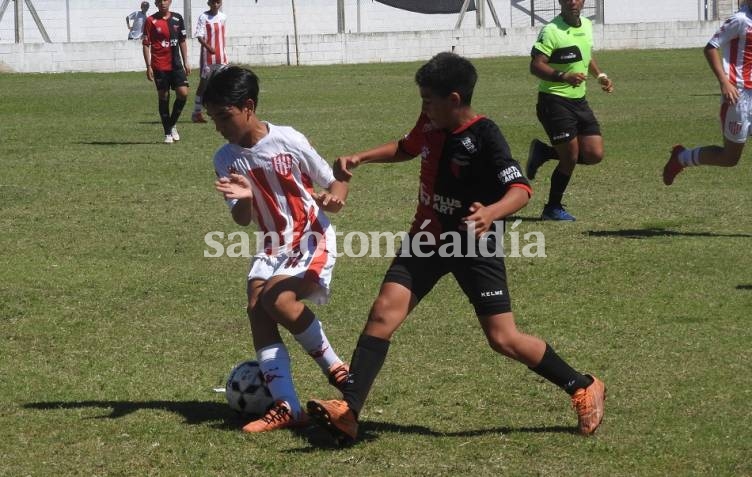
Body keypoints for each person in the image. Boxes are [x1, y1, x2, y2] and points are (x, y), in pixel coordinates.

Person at [306, 52, 606, 445]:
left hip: (473, 245)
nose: (423, 107)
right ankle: (349, 412)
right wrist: (361, 158)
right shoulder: (431, 122)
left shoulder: (485, 135)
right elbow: (408, 146)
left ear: (454, 98)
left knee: (503, 338)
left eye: (428, 99)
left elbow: (521, 189)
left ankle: (582, 385)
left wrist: (491, 213)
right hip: (426, 238)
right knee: (382, 313)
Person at [205, 66, 351, 433]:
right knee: (257, 307)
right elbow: (241, 219)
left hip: (309, 237)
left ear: (248, 107)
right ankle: (288, 406)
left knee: (277, 300)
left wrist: (333, 200)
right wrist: (245, 198)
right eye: (213, 118)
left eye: (224, 116)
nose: (219, 126)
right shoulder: (225, 158)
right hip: (273, 246)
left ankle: (336, 368)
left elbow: (333, 182)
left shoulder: (288, 139)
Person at [526, 0, 614, 221]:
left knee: (594, 154)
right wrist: (563, 76)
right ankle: (552, 208)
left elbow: (586, 54)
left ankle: (544, 152)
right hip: (553, 101)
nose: (572, 2)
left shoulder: (586, 25)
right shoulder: (551, 31)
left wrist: (600, 76)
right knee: (570, 157)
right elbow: (536, 65)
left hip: (579, 101)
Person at [663, 0, 752, 185]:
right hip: (739, 96)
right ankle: (681, 157)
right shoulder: (740, 20)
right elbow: (711, 47)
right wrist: (724, 82)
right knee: (730, 158)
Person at [142, 0, 190, 144]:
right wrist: (148, 65)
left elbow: (182, 40)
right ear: (156, 3)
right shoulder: (150, 20)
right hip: (159, 65)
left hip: (176, 65)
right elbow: (146, 44)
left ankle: (172, 123)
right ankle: (167, 133)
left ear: (170, 2)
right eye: (160, 0)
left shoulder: (177, 18)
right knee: (163, 96)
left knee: (183, 93)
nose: (163, 3)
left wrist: (186, 61)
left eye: (165, 0)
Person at [191, 0, 228, 124]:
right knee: (204, 84)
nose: (215, 5)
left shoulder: (223, 17)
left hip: (221, 56)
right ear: (209, 3)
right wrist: (208, 47)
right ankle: (196, 112)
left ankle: (218, 108)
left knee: (222, 82)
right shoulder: (204, 17)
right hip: (208, 57)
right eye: (213, 2)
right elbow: (199, 36)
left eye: (218, 2)